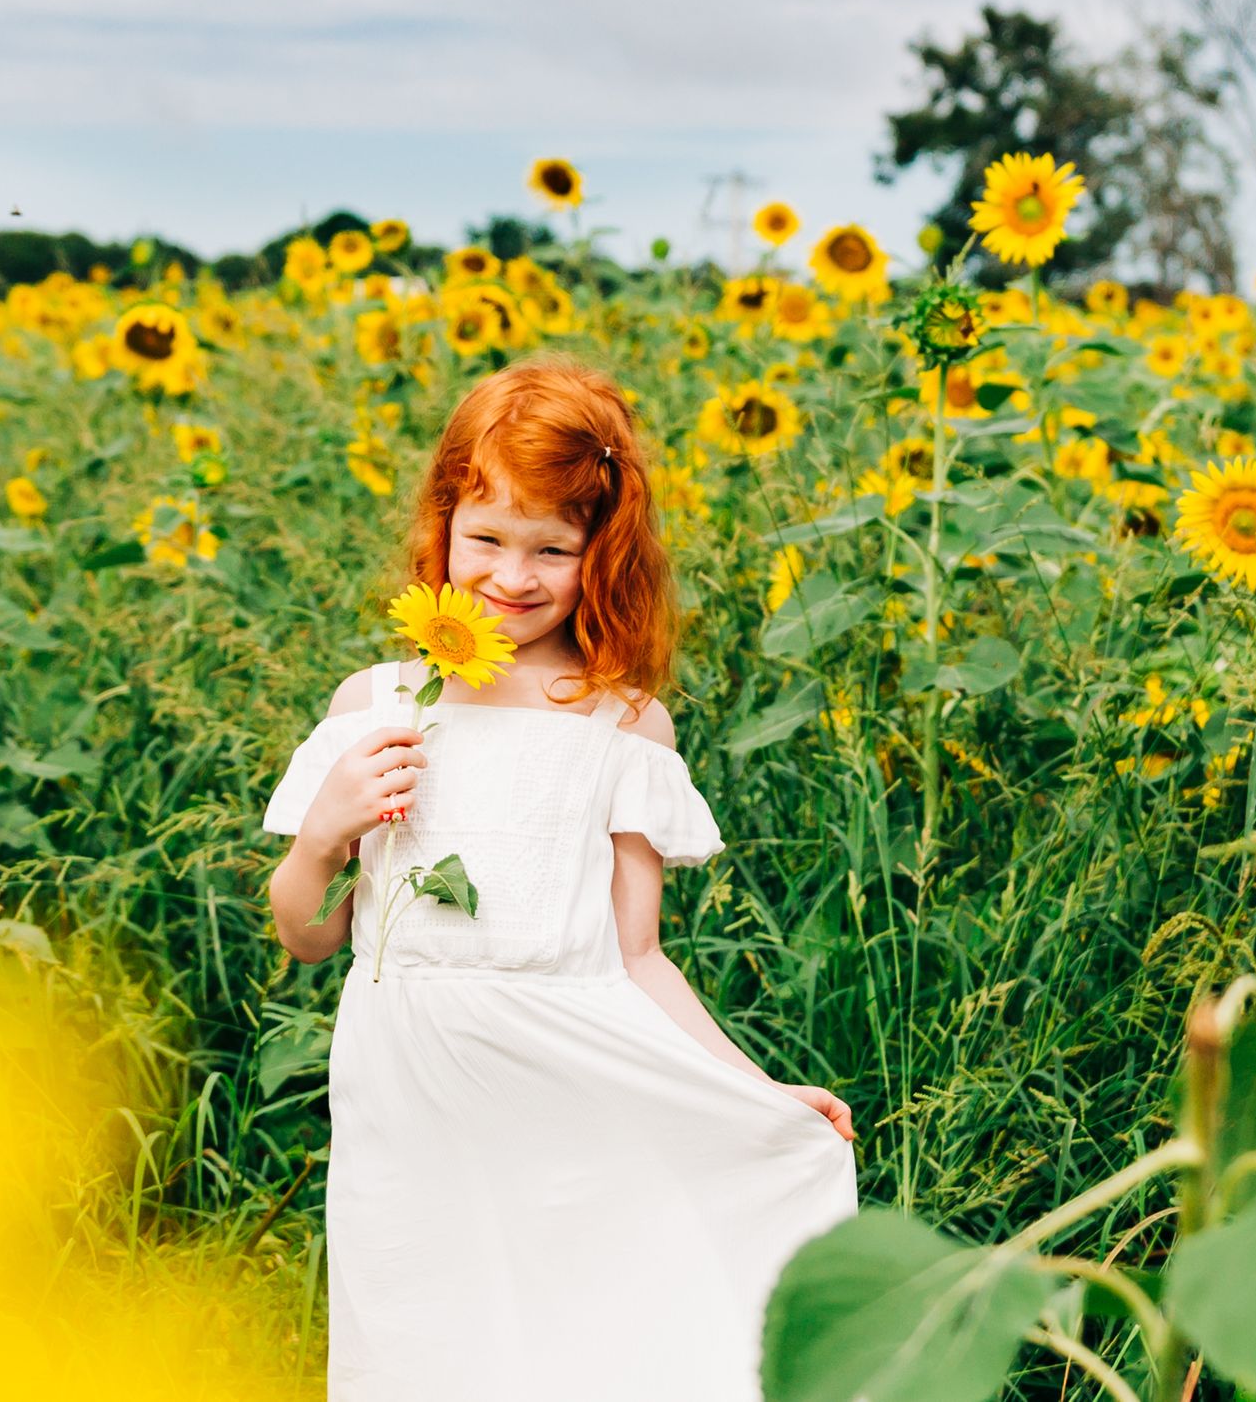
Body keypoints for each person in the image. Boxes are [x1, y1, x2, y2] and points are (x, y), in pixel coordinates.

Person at [261, 353, 859, 1401]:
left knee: (579, 1335)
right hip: (407, 1097)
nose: (512, 575)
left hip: (568, 1081)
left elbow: (639, 956)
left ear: (602, 555)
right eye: (487, 538)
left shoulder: (619, 720)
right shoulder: (379, 704)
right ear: (444, 526)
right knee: (420, 1344)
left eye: (553, 548)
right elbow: (308, 935)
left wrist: (755, 1090)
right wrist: (322, 834)